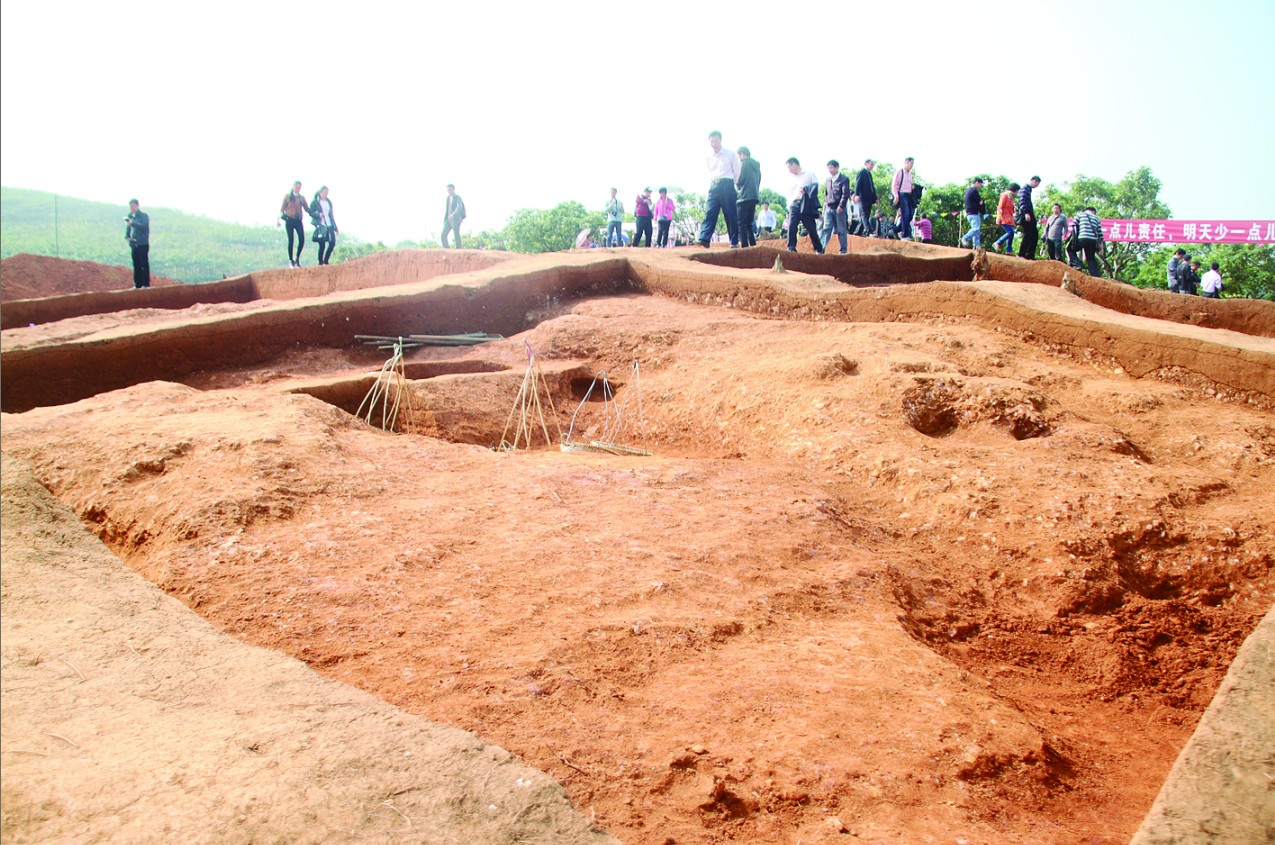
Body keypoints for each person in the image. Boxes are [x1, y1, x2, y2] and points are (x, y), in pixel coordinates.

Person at [697, 130, 740, 247]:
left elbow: (737, 171)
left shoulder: (730, 153)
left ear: (720, 140)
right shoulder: (709, 157)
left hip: (727, 184)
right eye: (711, 142)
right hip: (714, 185)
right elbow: (710, 171)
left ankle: (734, 241)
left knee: (730, 214)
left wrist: (732, 184)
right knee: (710, 212)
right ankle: (704, 239)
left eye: (716, 141)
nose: (714, 144)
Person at [784, 157, 823, 254]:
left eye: (789, 167)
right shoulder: (790, 178)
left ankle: (818, 248)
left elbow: (816, 187)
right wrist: (788, 210)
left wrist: (806, 189)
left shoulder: (809, 174)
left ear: (794, 164)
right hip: (794, 204)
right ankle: (791, 248)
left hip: (805, 204)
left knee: (811, 228)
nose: (789, 170)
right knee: (792, 226)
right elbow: (790, 194)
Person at [819, 160, 852, 254]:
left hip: (839, 208)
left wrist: (841, 205)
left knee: (841, 230)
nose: (830, 170)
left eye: (831, 168)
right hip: (829, 208)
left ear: (837, 167)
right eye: (828, 168)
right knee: (826, 229)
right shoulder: (828, 180)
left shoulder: (844, 179)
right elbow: (826, 194)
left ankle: (843, 250)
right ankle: (821, 249)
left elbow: (845, 194)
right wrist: (824, 208)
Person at [1066, 205, 1104, 277]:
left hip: (1082, 238)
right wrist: (1101, 246)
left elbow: (1074, 225)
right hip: (1092, 241)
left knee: (1070, 249)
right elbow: (1100, 234)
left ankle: (1078, 264)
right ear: (1093, 212)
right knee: (1090, 258)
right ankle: (1095, 276)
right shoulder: (1097, 218)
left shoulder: (1080, 215)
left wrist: (1073, 239)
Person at [735, 145, 761, 247]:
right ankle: (753, 244)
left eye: (738, 156)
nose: (738, 158)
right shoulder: (757, 167)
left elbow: (740, 179)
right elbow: (758, 181)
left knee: (741, 223)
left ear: (742, 154)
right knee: (749, 223)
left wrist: (736, 183)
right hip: (754, 196)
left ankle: (745, 246)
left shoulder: (744, 163)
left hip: (743, 197)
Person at [279, 181, 308, 267]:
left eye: (299, 187)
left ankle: (297, 257)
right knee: (291, 240)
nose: (298, 188)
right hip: (289, 220)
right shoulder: (287, 196)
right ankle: (290, 259)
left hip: (298, 220)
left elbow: (307, 208)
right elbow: (282, 208)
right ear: (293, 186)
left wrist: (315, 214)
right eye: (296, 187)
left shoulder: (301, 198)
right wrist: (278, 220)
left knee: (301, 239)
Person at [307, 186, 339, 266]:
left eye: (327, 193)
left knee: (332, 243)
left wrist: (335, 226)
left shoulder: (328, 202)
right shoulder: (315, 202)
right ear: (320, 192)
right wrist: (318, 214)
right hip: (321, 224)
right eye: (324, 193)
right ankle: (320, 261)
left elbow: (331, 215)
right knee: (322, 244)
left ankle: (326, 259)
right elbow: (310, 212)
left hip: (329, 224)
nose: (325, 194)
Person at [124, 198, 150, 288]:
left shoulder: (143, 216)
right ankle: (137, 284)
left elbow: (143, 227)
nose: (131, 208)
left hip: (142, 243)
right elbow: (128, 228)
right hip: (134, 244)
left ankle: (145, 284)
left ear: (137, 205)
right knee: (136, 264)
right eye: (130, 206)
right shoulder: (130, 216)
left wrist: (132, 223)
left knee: (143, 264)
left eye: (133, 206)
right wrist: (127, 236)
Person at [891, 157, 918, 239]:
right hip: (902, 194)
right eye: (911, 163)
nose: (912, 166)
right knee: (905, 214)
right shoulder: (899, 172)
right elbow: (894, 185)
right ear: (906, 162)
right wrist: (896, 196)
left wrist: (912, 187)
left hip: (909, 195)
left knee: (910, 215)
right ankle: (905, 234)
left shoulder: (910, 174)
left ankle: (895, 230)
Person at [1016, 176, 1041, 259]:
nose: (1036, 186)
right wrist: (1026, 212)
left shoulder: (1028, 189)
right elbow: (1022, 201)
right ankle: (1022, 253)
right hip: (1026, 213)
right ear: (1034, 181)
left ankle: (1029, 254)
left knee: (1033, 234)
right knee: (1029, 233)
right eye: (1037, 184)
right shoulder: (1025, 188)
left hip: (1028, 212)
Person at [960, 178, 986, 249]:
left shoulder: (968, 191)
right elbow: (979, 202)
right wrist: (981, 204)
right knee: (976, 229)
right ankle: (965, 238)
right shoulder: (974, 191)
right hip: (973, 213)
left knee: (977, 231)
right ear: (977, 182)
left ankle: (976, 246)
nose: (980, 186)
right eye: (980, 184)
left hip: (968, 213)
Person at [993, 183, 1019, 253]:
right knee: (1010, 232)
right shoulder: (1004, 195)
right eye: (1017, 191)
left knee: (1011, 234)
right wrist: (998, 217)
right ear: (1015, 190)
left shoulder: (1011, 198)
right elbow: (1000, 207)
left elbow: (1012, 209)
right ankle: (998, 242)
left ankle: (1009, 250)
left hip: (1010, 219)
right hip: (1004, 218)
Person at [854, 159, 877, 237]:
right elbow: (857, 184)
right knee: (864, 214)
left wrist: (875, 198)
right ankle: (869, 230)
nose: (872, 166)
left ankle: (857, 232)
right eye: (871, 164)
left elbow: (872, 187)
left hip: (869, 199)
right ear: (866, 164)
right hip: (862, 197)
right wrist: (856, 194)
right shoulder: (862, 172)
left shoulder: (869, 174)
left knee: (866, 215)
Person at [442, 184, 466, 248]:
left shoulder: (457, 197)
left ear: (453, 189)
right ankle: (447, 250)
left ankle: (458, 250)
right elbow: (447, 209)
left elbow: (459, 207)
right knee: (443, 235)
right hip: (448, 219)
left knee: (456, 235)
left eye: (450, 189)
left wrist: (453, 214)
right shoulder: (448, 198)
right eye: (448, 190)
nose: (449, 191)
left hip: (456, 219)